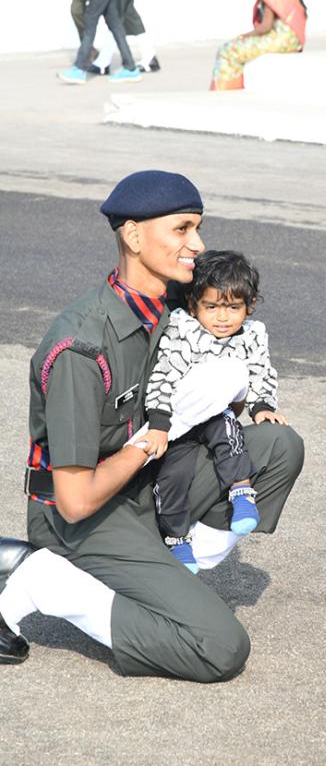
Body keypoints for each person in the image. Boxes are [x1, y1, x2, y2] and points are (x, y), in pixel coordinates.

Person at [0, 170, 304, 679]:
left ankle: (169, 566)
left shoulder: (175, 310)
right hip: (81, 518)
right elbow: (75, 499)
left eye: (199, 228)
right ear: (134, 236)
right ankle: (38, 578)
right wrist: (159, 432)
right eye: (183, 229)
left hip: (149, 487)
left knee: (277, 445)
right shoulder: (81, 346)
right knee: (219, 647)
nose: (198, 244)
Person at [144, 250, 288, 571]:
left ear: (248, 307)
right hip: (180, 421)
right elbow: (164, 375)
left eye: (233, 308)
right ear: (194, 305)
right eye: (212, 307)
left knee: (229, 431)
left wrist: (262, 406)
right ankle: (177, 538)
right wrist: (158, 421)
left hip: (215, 415)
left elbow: (260, 372)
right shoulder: (183, 332)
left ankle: (240, 491)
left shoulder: (251, 336)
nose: (223, 318)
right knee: (172, 477)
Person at [210, 0, 307, 91]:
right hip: (295, 41)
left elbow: (266, 26)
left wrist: (243, 36)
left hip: (282, 41)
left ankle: (225, 90)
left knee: (227, 50)